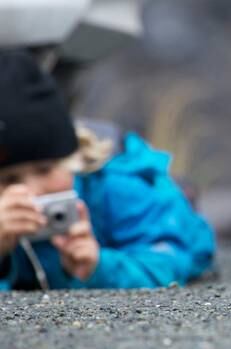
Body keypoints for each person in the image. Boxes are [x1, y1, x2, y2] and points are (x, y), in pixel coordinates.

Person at [0, 50, 216, 290]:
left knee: (173, 215)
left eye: (44, 170)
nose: (31, 191)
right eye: (9, 179)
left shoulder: (116, 187)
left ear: (71, 159)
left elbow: (166, 266)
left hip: (163, 228)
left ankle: (181, 195)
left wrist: (99, 266)